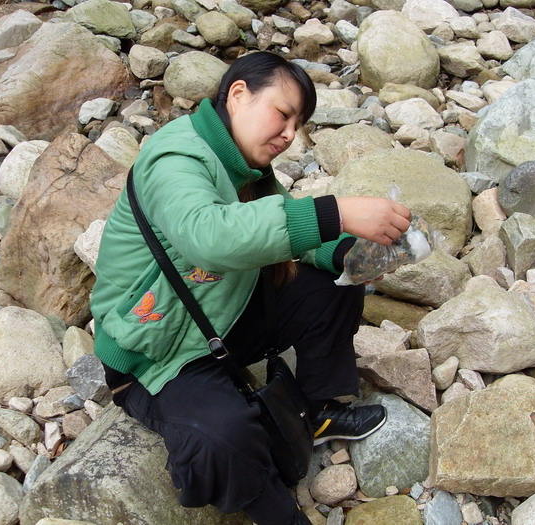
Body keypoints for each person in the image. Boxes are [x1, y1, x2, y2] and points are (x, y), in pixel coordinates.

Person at [91, 51, 412, 525]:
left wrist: (343, 254)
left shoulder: (245, 165)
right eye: (283, 114)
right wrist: (335, 211)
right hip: (155, 350)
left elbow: (286, 232)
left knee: (335, 285)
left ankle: (316, 410)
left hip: (218, 316)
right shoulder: (174, 155)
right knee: (224, 436)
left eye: (298, 124)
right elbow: (208, 236)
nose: (289, 135)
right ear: (238, 94)